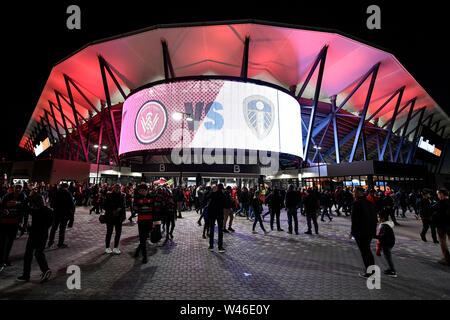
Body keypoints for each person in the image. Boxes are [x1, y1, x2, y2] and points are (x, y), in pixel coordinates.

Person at [16, 187, 52, 283]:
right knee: (39, 253)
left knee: (28, 255)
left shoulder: (35, 211)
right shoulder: (49, 211)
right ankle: (45, 269)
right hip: (44, 234)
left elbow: (23, 206)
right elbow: (50, 223)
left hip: (34, 234)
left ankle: (26, 275)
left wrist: (29, 197)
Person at [349, 187, 378, 278]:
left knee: (364, 252)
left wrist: (352, 232)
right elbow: (375, 219)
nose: (353, 193)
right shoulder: (369, 203)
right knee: (368, 251)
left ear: (358, 192)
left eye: (354, 192)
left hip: (361, 233)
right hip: (369, 232)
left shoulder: (356, 203)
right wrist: (373, 231)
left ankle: (369, 272)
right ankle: (372, 270)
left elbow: (355, 220)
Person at [0, 184, 26, 270]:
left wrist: (22, 223)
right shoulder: (7, 196)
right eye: (16, 188)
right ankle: (2, 260)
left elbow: (24, 209)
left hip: (15, 222)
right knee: (3, 241)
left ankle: (6, 259)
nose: (18, 189)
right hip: (5, 221)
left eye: (20, 188)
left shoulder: (23, 196)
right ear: (13, 188)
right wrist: (5, 209)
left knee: (10, 241)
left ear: (21, 189)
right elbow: (2, 205)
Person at [47, 183, 74, 249]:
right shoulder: (68, 194)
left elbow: (51, 204)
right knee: (62, 229)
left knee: (54, 228)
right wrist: (71, 216)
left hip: (56, 213)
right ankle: (60, 243)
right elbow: (71, 205)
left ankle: (50, 242)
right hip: (64, 214)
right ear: (66, 187)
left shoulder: (55, 193)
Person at [103, 184, 126, 254]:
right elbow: (104, 206)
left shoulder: (122, 196)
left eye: (119, 188)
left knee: (118, 233)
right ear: (113, 188)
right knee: (109, 232)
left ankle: (116, 247)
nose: (117, 189)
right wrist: (113, 209)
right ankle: (107, 247)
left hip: (119, 217)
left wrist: (123, 216)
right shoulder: (108, 195)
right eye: (116, 188)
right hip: (110, 216)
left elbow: (123, 207)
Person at [133, 184, 153, 263]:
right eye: (140, 191)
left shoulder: (151, 197)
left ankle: (138, 251)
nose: (141, 192)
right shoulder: (137, 198)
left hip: (149, 221)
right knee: (142, 238)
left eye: (142, 191)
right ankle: (145, 257)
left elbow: (153, 209)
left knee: (144, 238)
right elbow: (136, 208)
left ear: (146, 190)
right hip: (141, 221)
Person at [375, 212, 397, 277]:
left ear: (383, 218)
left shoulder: (384, 226)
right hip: (389, 242)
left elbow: (382, 236)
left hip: (387, 243)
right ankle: (390, 269)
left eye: (379, 217)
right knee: (387, 257)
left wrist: (374, 236)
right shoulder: (387, 225)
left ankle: (393, 271)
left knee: (388, 257)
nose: (378, 218)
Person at [431, 189, 450, 266]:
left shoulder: (440, 202)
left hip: (442, 225)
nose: (438, 195)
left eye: (438, 194)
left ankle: (447, 259)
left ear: (441, 194)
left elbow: (431, 209)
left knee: (443, 241)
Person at [207, 184, 227, 252]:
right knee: (220, 231)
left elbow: (207, 197)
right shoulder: (223, 195)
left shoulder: (213, 193)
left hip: (212, 213)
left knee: (212, 229)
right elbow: (225, 205)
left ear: (217, 188)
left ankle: (211, 246)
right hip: (220, 214)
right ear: (222, 188)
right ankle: (220, 247)